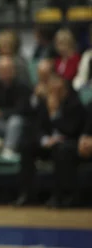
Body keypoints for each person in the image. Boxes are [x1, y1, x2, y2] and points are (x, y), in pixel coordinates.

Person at [16, 75, 86, 207]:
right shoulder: (45, 102)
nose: (52, 87)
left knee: (61, 150)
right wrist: (44, 140)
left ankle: (61, 196)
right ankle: (27, 194)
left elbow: (71, 130)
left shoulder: (75, 104)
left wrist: (53, 114)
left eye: (56, 84)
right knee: (26, 147)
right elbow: (38, 127)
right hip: (49, 144)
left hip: (68, 144)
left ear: (64, 88)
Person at [0, 56, 31, 161]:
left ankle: (8, 150)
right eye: (2, 70)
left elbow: (21, 110)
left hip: (21, 127)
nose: (5, 72)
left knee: (15, 121)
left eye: (8, 69)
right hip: (1, 124)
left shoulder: (23, 86)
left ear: (13, 70)